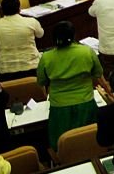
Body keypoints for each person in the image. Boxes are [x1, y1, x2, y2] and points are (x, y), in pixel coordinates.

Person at [36, 21, 104, 151]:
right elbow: (98, 73)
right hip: (86, 103)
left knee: (64, 144)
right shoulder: (87, 51)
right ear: (73, 35)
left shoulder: (46, 57)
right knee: (89, 140)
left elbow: (41, 82)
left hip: (59, 108)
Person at [0, 0, 43, 80]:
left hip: (6, 72)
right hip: (32, 69)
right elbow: (40, 34)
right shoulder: (31, 22)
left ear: (2, 10)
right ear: (19, 8)